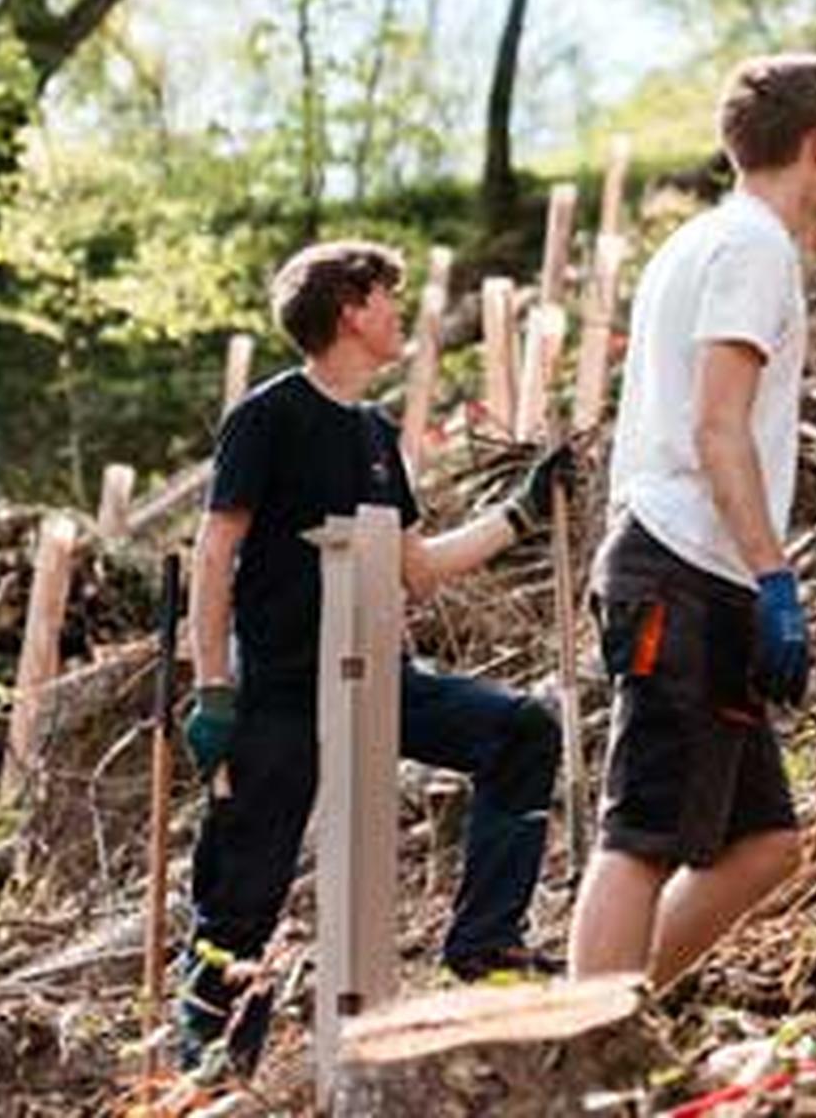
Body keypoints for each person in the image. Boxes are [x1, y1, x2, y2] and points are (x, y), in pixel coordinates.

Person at [176, 240, 571, 1070]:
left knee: (522, 734)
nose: (398, 313)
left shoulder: (377, 436)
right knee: (240, 903)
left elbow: (417, 570)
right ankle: (209, 1077)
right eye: (386, 298)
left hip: (377, 679)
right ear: (350, 310)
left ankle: (486, 943)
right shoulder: (267, 416)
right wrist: (214, 690)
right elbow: (215, 555)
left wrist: (522, 513)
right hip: (279, 693)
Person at [566, 52, 816, 989]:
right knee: (643, 834)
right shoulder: (752, 250)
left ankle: (621, 1009)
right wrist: (777, 576)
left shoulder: (710, 242)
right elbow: (717, 424)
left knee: (766, 842)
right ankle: (582, 1064)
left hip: (705, 570)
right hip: (685, 565)